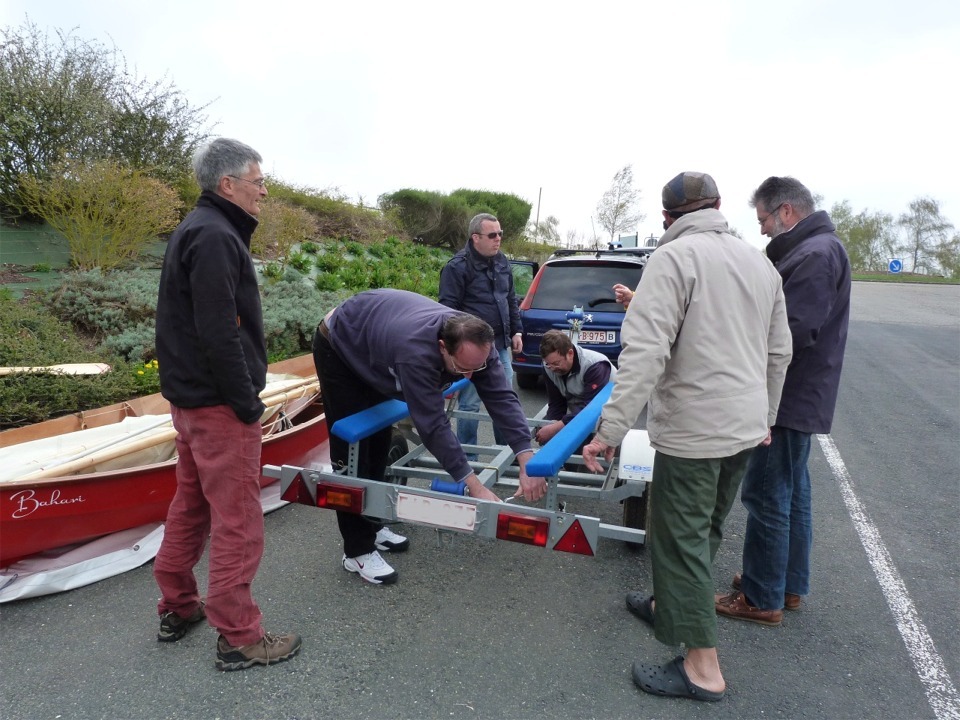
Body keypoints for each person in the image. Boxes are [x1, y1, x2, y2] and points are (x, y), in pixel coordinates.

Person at [581, 171, 792, 702]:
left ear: (668, 217)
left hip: (695, 432)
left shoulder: (670, 260)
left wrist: (609, 431)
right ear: (719, 206)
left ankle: (702, 669)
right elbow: (778, 351)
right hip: (744, 428)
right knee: (707, 529)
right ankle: (665, 605)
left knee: (679, 541)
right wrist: (766, 416)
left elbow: (645, 352)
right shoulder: (760, 262)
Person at [153, 138, 301, 671]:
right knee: (237, 519)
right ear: (227, 185)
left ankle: (178, 605)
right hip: (217, 406)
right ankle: (239, 636)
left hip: (190, 404)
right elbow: (218, 332)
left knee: (190, 506)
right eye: (257, 180)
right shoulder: (216, 236)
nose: (264, 189)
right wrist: (246, 403)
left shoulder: (196, 228)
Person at [312, 288, 547, 585]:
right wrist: (474, 486)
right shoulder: (416, 354)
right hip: (341, 345)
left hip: (377, 339)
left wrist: (527, 457)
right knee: (352, 449)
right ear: (441, 347)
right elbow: (433, 426)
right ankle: (357, 550)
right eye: (461, 369)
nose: (469, 376)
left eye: (477, 368)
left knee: (379, 441)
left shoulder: (476, 343)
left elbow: (502, 398)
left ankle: (372, 521)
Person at [715, 177, 851, 625]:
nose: (762, 232)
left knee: (766, 492)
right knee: (792, 492)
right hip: (802, 394)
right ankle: (786, 584)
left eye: (764, 221)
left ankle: (762, 595)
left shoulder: (813, 255)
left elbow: (791, 332)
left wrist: (739, 364)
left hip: (787, 396)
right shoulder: (818, 250)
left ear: (787, 212)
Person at [438, 213, 523, 455]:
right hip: (471, 350)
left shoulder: (502, 261)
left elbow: (509, 300)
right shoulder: (457, 267)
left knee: (505, 402)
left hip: (500, 344)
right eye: (493, 235)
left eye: (500, 234)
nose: (498, 239)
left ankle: (506, 453)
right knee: (470, 405)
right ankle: (469, 457)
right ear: (476, 237)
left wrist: (516, 331)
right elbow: (447, 311)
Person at [533, 329, 616, 446]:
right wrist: (550, 425)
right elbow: (556, 403)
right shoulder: (549, 367)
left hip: (608, 412)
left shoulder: (595, 365)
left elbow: (591, 410)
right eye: (548, 363)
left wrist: (556, 428)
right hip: (580, 410)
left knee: (592, 449)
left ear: (570, 354)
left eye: (556, 363)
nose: (552, 368)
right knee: (554, 440)